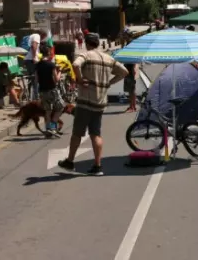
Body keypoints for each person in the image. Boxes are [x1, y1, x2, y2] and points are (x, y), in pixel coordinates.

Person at [58, 33, 127, 177]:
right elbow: (124, 72)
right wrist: (110, 82)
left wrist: (80, 78)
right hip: (100, 102)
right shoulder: (109, 58)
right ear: (97, 43)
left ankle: (70, 161)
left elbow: (76, 64)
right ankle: (97, 165)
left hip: (85, 102)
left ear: (87, 43)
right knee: (96, 133)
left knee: (77, 133)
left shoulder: (87, 55)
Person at [36, 41, 64, 137]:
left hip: (42, 91)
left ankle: (48, 130)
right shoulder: (51, 65)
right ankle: (52, 126)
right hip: (52, 90)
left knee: (47, 111)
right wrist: (59, 71)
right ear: (48, 53)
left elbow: (36, 79)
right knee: (60, 107)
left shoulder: (37, 65)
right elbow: (56, 80)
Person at [24, 33, 41, 100]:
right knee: (35, 80)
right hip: (32, 60)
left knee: (31, 79)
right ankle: (36, 98)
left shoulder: (30, 36)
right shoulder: (37, 36)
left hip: (27, 59)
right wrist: (34, 57)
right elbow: (34, 46)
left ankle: (28, 96)